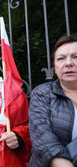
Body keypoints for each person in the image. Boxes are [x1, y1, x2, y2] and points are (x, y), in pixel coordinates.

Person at [29, 33, 77, 167]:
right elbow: (42, 135)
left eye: (75, 57)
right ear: (55, 67)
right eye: (61, 58)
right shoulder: (42, 93)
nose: (68, 63)